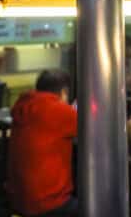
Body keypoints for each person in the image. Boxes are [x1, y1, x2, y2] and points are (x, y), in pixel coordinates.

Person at [7, 69, 79, 216]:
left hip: (18, 199)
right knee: (95, 208)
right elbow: (96, 130)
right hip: (47, 204)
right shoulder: (58, 110)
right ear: (64, 92)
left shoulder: (24, 105)